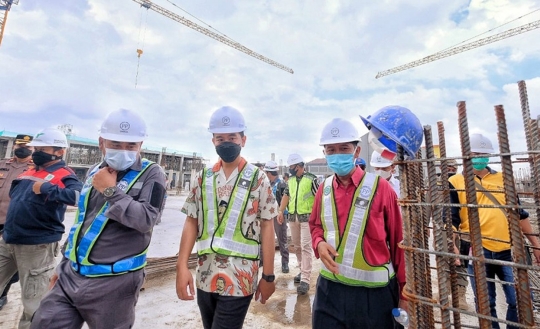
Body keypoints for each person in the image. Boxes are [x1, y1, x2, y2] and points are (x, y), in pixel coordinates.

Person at [31, 109, 166, 328]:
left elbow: (146, 220)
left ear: (140, 145)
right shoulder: (94, 171)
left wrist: (111, 192)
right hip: (70, 275)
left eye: (131, 146)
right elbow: (83, 222)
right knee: (44, 323)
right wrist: (64, 264)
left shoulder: (152, 174)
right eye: (116, 144)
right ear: (101, 142)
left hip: (115, 283)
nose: (124, 150)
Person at [175, 106, 277, 329]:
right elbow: (191, 221)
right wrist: (181, 266)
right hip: (205, 274)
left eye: (232, 137)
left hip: (240, 277)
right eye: (220, 138)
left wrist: (268, 276)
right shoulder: (203, 178)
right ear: (213, 141)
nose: (226, 142)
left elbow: (267, 227)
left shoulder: (258, 179)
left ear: (243, 139)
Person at [309, 118, 407, 328]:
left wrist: (404, 292)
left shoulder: (382, 189)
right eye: (331, 149)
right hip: (329, 290)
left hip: (374, 296)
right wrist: (318, 243)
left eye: (343, 148)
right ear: (325, 153)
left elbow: (399, 241)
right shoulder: (323, 189)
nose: (337, 154)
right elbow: (315, 225)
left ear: (356, 151)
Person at [449, 133, 540, 329]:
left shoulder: (504, 178)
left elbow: (520, 214)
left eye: (484, 154)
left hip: (510, 249)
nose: (480, 157)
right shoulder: (455, 181)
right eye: (476, 153)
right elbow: (451, 219)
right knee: (485, 304)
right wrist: (452, 246)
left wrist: (536, 245)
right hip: (477, 249)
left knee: (522, 300)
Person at [0, 128, 82, 329]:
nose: (36, 152)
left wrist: (47, 188)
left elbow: (79, 197)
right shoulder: (29, 170)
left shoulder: (65, 174)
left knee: (34, 304)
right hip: (8, 240)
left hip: (36, 246)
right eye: (36, 148)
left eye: (42, 148)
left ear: (59, 151)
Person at [0, 134, 34, 311]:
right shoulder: (2, 164)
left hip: (12, 223)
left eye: (28, 147)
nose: (23, 149)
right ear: (14, 146)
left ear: (32, 149)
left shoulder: (35, 169)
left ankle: (3, 294)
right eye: (20, 145)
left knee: (7, 262)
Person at [278, 153, 319, 295]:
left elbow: (319, 198)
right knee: (297, 246)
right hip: (293, 218)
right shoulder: (291, 180)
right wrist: (280, 211)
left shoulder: (312, 179)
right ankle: (302, 270)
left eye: (292, 167)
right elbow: (286, 196)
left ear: (300, 166)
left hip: (307, 219)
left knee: (306, 246)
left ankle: (306, 280)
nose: (290, 169)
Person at [264, 160, 289, 273]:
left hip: (279, 216)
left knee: (282, 239)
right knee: (266, 239)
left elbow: (286, 200)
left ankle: (285, 263)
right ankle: (263, 261)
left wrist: (282, 213)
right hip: (268, 216)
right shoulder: (268, 184)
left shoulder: (281, 184)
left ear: (269, 172)